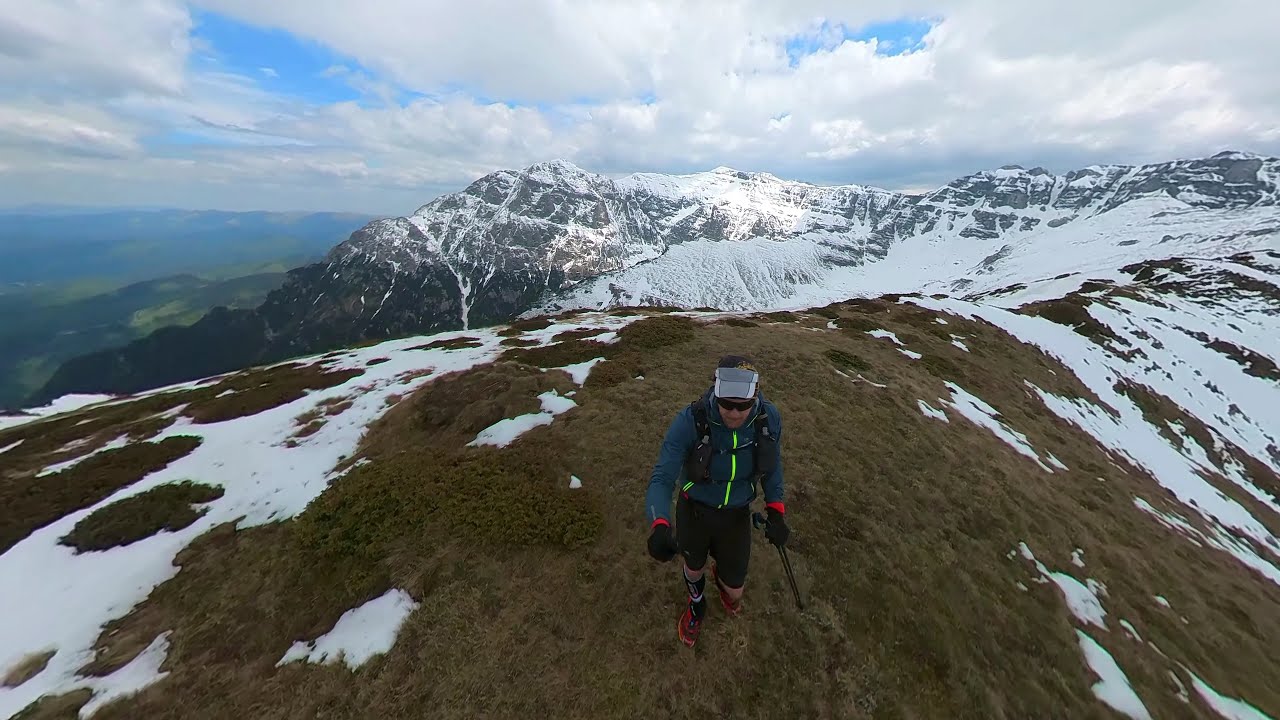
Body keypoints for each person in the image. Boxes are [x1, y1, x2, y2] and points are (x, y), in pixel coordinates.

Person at [644, 354, 789, 647]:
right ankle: (697, 605)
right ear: (715, 391)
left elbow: (772, 467)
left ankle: (723, 582)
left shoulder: (767, 420)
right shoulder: (690, 421)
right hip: (694, 510)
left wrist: (776, 511)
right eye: (727, 404)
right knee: (692, 567)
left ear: (756, 396)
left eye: (743, 406)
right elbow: (663, 477)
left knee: (735, 591)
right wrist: (659, 523)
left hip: (736, 515)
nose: (734, 414)